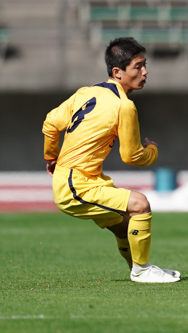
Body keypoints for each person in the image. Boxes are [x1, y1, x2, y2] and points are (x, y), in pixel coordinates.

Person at [42, 37, 180, 283]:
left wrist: (51, 157)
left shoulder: (86, 92)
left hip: (80, 180)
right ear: (118, 72)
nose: (145, 72)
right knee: (140, 204)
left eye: (144, 65)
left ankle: (138, 269)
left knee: (124, 224)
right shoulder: (124, 106)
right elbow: (132, 156)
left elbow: (51, 123)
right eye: (138, 66)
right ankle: (142, 270)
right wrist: (153, 151)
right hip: (76, 185)